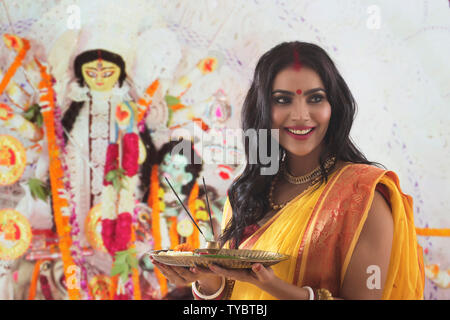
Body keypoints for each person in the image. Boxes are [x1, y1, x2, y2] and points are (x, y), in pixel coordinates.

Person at [150, 41, 425, 300]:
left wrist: (275, 288)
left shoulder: (363, 196)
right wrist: (204, 280)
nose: (300, 114)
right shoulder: (246, 193)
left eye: (315, 98)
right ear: (262, 110)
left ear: (334, 107)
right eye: (283, 100)